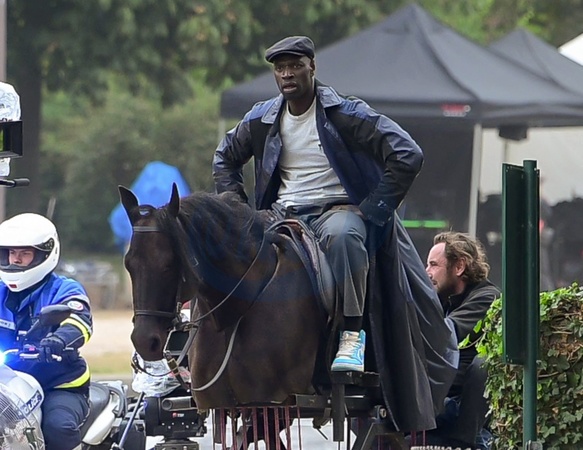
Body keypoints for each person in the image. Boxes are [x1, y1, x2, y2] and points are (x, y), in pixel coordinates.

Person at [213, 35, 424, 373]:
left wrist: (372, 209)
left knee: (345, 238)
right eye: (280, 68)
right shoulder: (261, 118)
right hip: (280, 214)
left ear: (312, 67)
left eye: (295, 66)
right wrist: (238, 211)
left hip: (334, 212)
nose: (287, 74)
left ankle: (351, 336)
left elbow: (408, 153)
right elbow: (224, 158)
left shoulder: (346, 114)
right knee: (230, 247)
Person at [0, 213, 93, 450]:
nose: (15, 259)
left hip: (58, 385)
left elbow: (79, 321)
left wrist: (58, 340)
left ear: (44, 254)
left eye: (24, 253)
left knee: (58, 427)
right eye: (11, 252)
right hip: (8, 385)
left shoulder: (63, 288)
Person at [424, 231, 500, 449]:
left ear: (459, 267)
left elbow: (444, 334)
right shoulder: (445, 301)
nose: (427, 272)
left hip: (459, 410)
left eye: (433, 265)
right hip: (439, 402)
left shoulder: (487, 298)